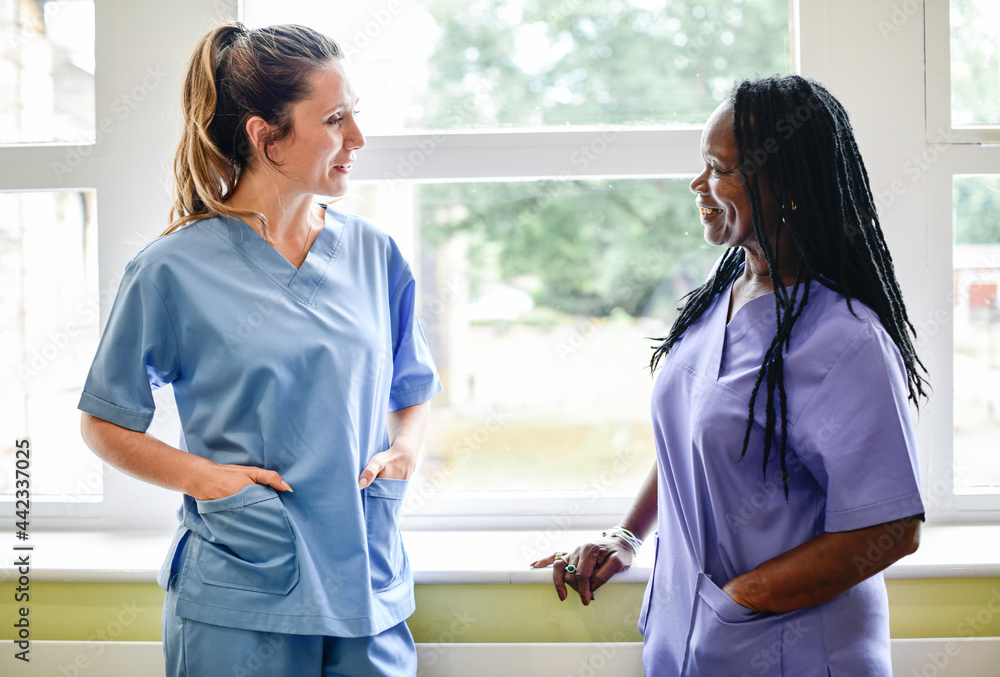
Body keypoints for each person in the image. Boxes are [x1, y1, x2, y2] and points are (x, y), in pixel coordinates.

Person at [532, 75, 928, 676]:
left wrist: (739, 602)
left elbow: (892, 528)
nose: (699, 184)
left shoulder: (846, 341)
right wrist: (628, 535)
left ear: (787, 186)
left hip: (790, 653)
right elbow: (693, 442)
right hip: (691, 642)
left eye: (720, 168)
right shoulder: (726, 294)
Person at [78, 23, 440, 676]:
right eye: (335, 119)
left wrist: (405, 452)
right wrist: (207, 480)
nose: (356, 138)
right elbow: (104, 421)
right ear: (265, 136)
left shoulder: (374, 255)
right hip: (242, 595)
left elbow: (411, 390)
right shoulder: (171, 271)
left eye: (354, 114)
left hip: (368, 588)